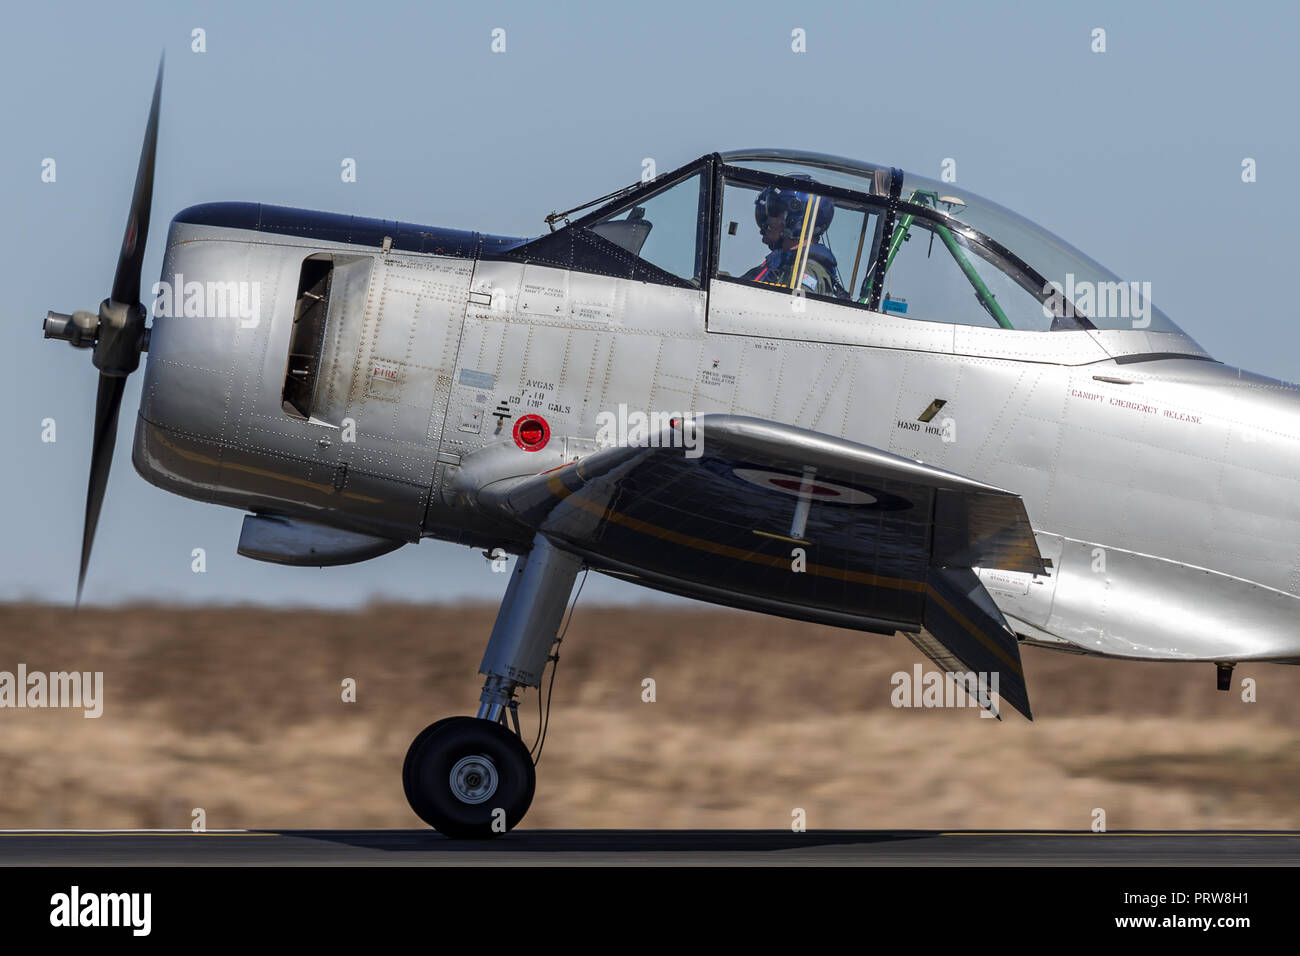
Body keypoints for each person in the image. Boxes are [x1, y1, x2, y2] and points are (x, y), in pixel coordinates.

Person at [740, 183, 846, 298]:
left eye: (774, 211)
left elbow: (794, 311)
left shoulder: (805, 270)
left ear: (795, 219)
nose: (769, 219)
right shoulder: (787, 262)